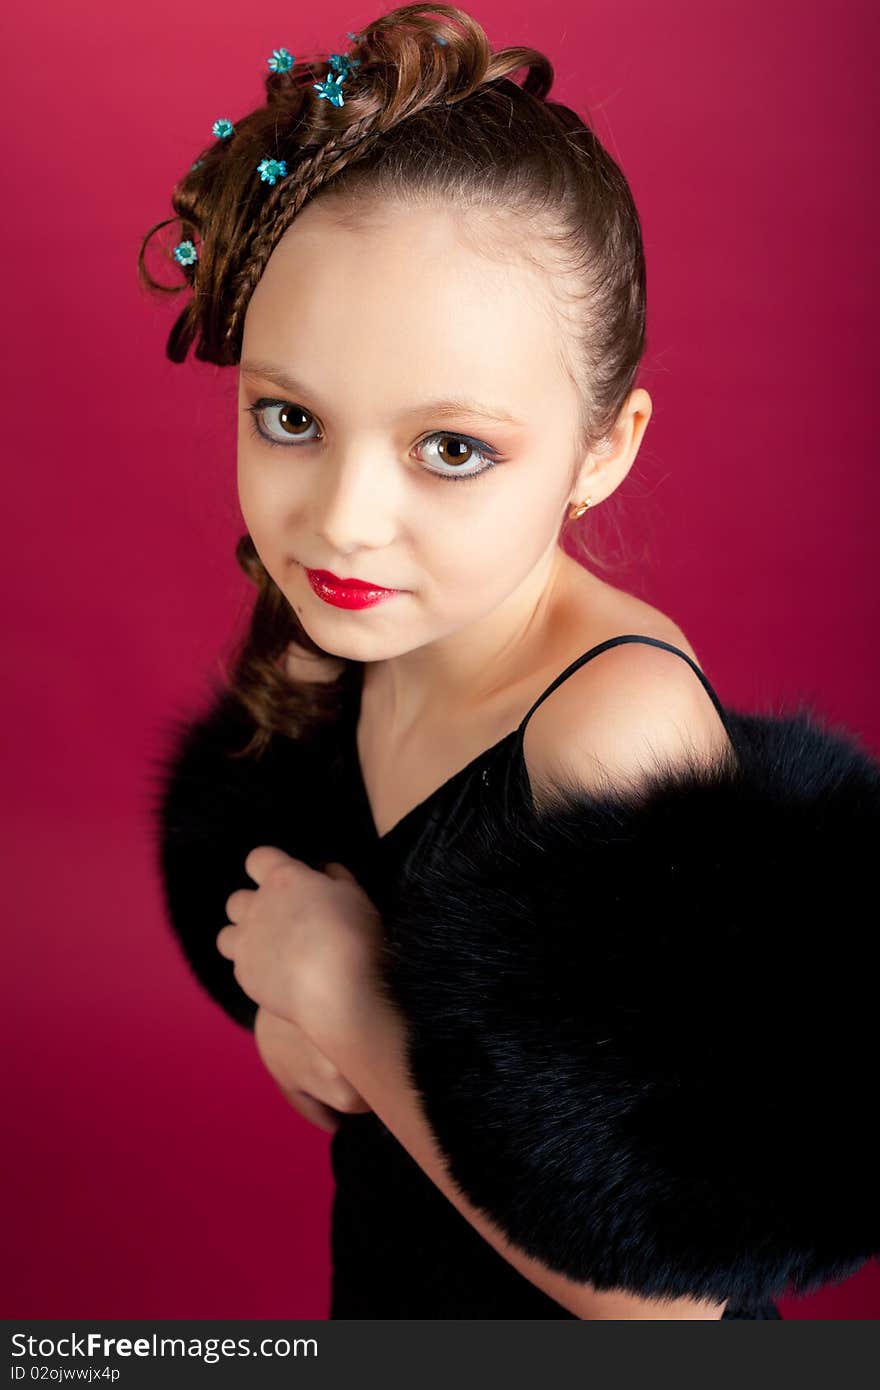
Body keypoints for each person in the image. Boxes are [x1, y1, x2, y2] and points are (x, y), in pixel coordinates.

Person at [143, 5, 880, 1319]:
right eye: (292, 417)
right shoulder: (360, 639)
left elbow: (664, 1304)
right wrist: (307, 1034)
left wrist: (350, 1000)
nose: (345, 517)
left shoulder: (610, 728)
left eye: (454, 448)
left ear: (604, 447)